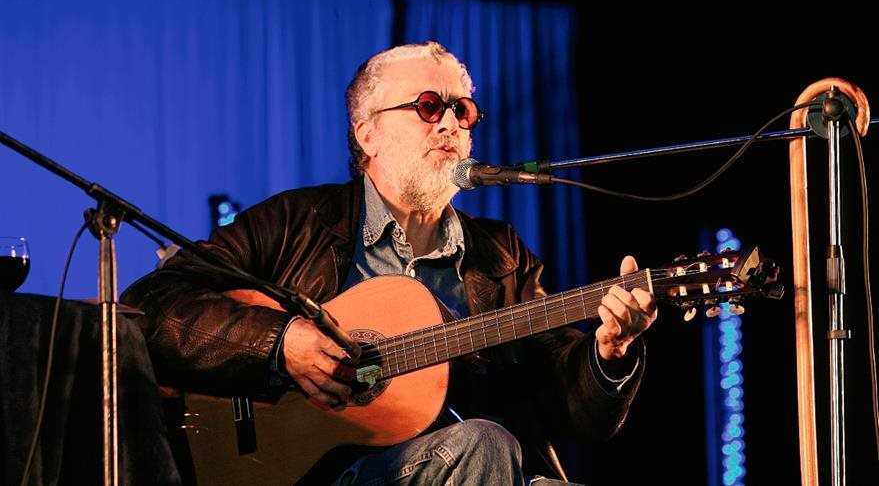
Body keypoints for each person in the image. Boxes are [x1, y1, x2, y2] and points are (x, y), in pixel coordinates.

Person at [122, 41, 658, 485]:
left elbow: (576, 411)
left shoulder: (500, 255)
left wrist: (609, 353)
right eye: (429, 106)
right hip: (315, 473)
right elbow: (150, 306)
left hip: (468, 470)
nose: (450, 124)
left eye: (462, 110)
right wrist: (281, 343)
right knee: (482, 443)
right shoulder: (295, 222)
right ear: (367, 133)